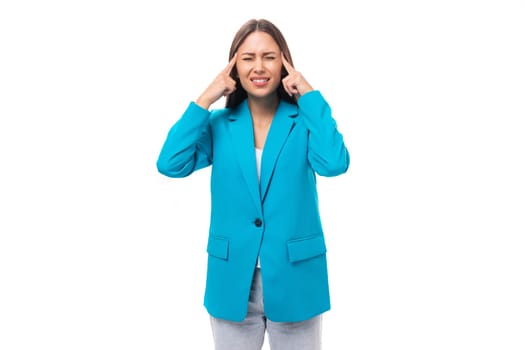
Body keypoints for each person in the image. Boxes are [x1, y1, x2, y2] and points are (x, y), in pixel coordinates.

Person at [157, 18, 350, 350]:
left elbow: (334, 163)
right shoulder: (219, 125)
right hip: (233, 282)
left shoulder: (304, 121)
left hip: (296, 278)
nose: (258, 67)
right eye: (247, 58)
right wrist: (206, 98)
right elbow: (170, 163)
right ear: (233, 66)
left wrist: (308, 94)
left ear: (284, 63)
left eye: (269, 57)